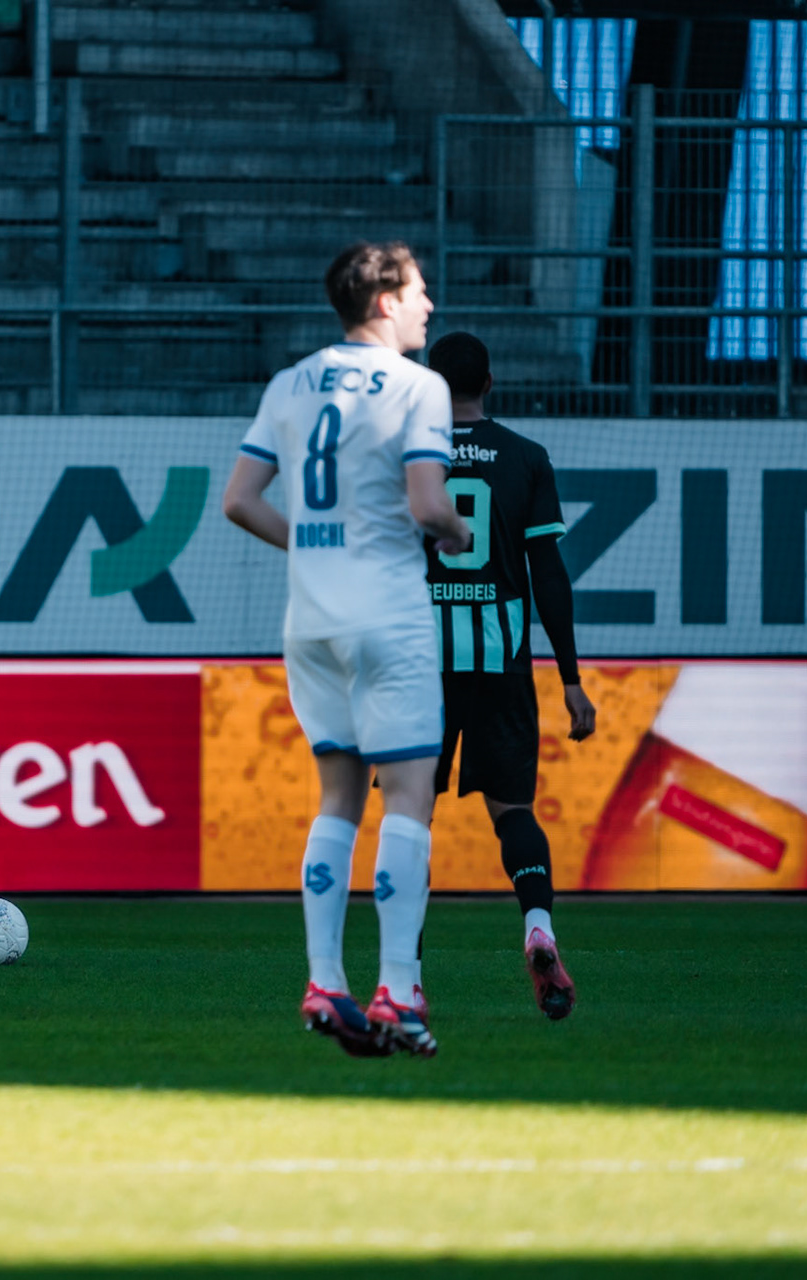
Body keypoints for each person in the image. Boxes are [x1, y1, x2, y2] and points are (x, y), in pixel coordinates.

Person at [222, 242, 471, 1058]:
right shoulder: (419, 386)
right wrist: (457, 530)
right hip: (389, 612)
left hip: (312, 620)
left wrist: (312, 548)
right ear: (387, 299)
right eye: (421, 292)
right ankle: (398, 988)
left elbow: (238, 501)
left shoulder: (289, 383)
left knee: (337, 799)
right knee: (407, 797)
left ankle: (325, 978)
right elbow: (429, 505)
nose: (429, 307)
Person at [423, 332, 595, 1020]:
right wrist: (572, 680)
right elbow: (548, 576)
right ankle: (539, 930)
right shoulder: (526, 457)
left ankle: (403, 970)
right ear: (490, 382)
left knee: (412, 815)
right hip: (502, 662)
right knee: (513, 813)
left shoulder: (409, 459)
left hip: (423, 665)